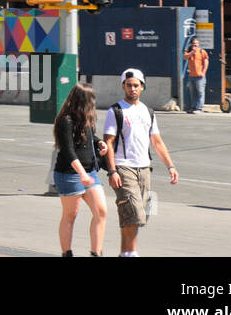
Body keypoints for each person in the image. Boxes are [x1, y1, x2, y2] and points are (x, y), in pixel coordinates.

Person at [102, 68, 178, 257]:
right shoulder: (116, 111)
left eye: (136, 85)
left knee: (136, 215)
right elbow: (108, 143)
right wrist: (112, 171)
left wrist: (171, 166)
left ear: (142, 87)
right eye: (129, 85)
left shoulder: (148, 112)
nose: (133, 89)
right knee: (134, 213)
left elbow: (157, 142)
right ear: (123, 86)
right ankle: (132, 253)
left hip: (144, 168)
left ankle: (124, 253)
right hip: (123, 167)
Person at [52, 83, 109, 256]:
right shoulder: (66, 120)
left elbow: (89, 135)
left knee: (101, 211)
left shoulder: (87, 117)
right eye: (90, 99)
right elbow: (68, 151)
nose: (93, 103)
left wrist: (99, 142)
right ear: (81, 100)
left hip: (89, 172)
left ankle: (96, 252)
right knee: (70, 215)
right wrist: (81, 174)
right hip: (69, 174)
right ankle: (67, 253)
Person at [183, 38, 209, 113]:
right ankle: (193, 107)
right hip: (191, 75)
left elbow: (206, 62)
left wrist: (203, 72)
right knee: (193, 92)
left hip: (200, 76)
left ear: (198, 44)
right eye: (193, 43)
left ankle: (199, 108)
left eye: (196, 43)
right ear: (191, 44)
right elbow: (184, 57)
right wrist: (192, 52)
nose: (195, 45)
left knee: (200, 92)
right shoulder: (189, 51)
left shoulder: (202, 51)